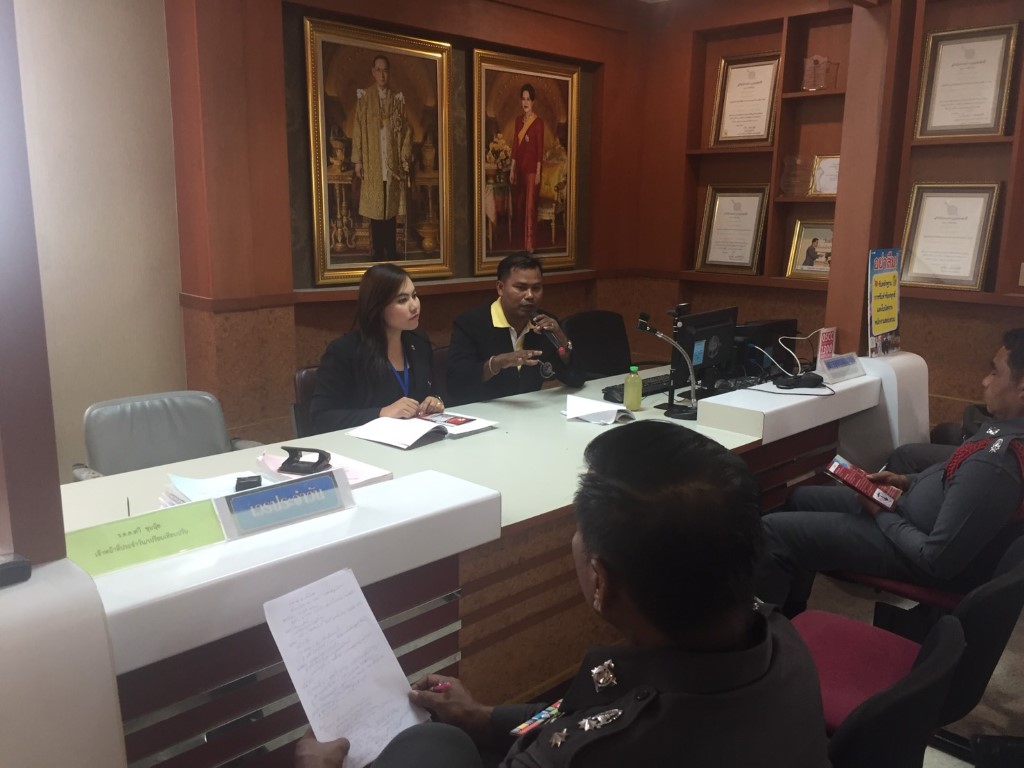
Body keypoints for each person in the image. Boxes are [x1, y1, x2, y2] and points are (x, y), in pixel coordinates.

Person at [295, 421, 831, 768]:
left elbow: (583, 728)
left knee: (427, 747)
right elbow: (578, 711)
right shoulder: (781, 641)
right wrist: (483, 716)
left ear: (600, 581)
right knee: (444, 740)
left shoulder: (579, 756)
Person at [757, 328, 1024, 616]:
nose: (985, 381)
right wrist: (904, 481)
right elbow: (952, 473)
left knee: (772, 531)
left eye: (995, 373)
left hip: (911, 552)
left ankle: (767, 631)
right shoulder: (1000, 434)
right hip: (907, 516)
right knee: (801, 498)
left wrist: (880, 514)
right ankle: (793, 609)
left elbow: (935, 560)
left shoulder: (995, 465)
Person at [309, 264, 444, 432]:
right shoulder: (345, 351)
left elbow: (433, 390)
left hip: (416, 438)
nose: (414, 306)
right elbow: (321, 418)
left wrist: (435, 401)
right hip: (363, 443)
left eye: (414, 296)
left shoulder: (418, 341)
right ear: (378, 307)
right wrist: (381, 413)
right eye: (402, 300)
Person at [446, 252, 583, 405]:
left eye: (536, 288)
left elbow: (576, 379)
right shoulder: (471, 324)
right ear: (500, 288)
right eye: (521, 287)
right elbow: (456, 385)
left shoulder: (544, 325)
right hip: (484, 412)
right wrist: (496, 363)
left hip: (530, 412)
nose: (530, 295)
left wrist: (563, 341)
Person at [351, 54, 412, 260]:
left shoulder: (397, 100)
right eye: (378, 70)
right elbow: (358, 130)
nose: (382, 74)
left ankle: (391, 249)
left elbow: (406, 130)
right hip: (373, 161)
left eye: (385, 70)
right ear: (373, 72)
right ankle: (378, 250)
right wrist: (358, 161)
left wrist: (404, 157)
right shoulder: (365, 99)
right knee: (377, 207)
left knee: (390, 207)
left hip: (392, 163)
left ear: (389, 72)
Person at [510, 84, 544, 253]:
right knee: (519, 206)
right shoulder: (518, 121)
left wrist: (538, 173)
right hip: (519, 169)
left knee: (530, 207)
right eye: (523, 99)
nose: (525, 102)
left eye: (528, 99)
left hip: (532, 171)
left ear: (533, 101)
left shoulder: (538, 123)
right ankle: (519, 244)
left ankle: (529, 246)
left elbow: (540, 149)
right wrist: (512, 169)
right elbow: (515, 146)